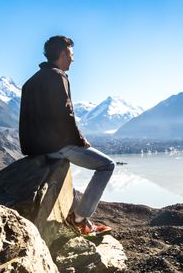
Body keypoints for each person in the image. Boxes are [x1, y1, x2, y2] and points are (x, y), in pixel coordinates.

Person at [19, 35, 115, 236]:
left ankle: (79, 220)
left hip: (34, 148)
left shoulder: (30, 82)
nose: (73, 59)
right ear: (63, 54)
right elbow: (66, 113)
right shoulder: (58, 76)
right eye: (71, 54)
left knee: (66, 169)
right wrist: (80, 140)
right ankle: (78, 218)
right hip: (56, 145)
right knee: (107, 166)